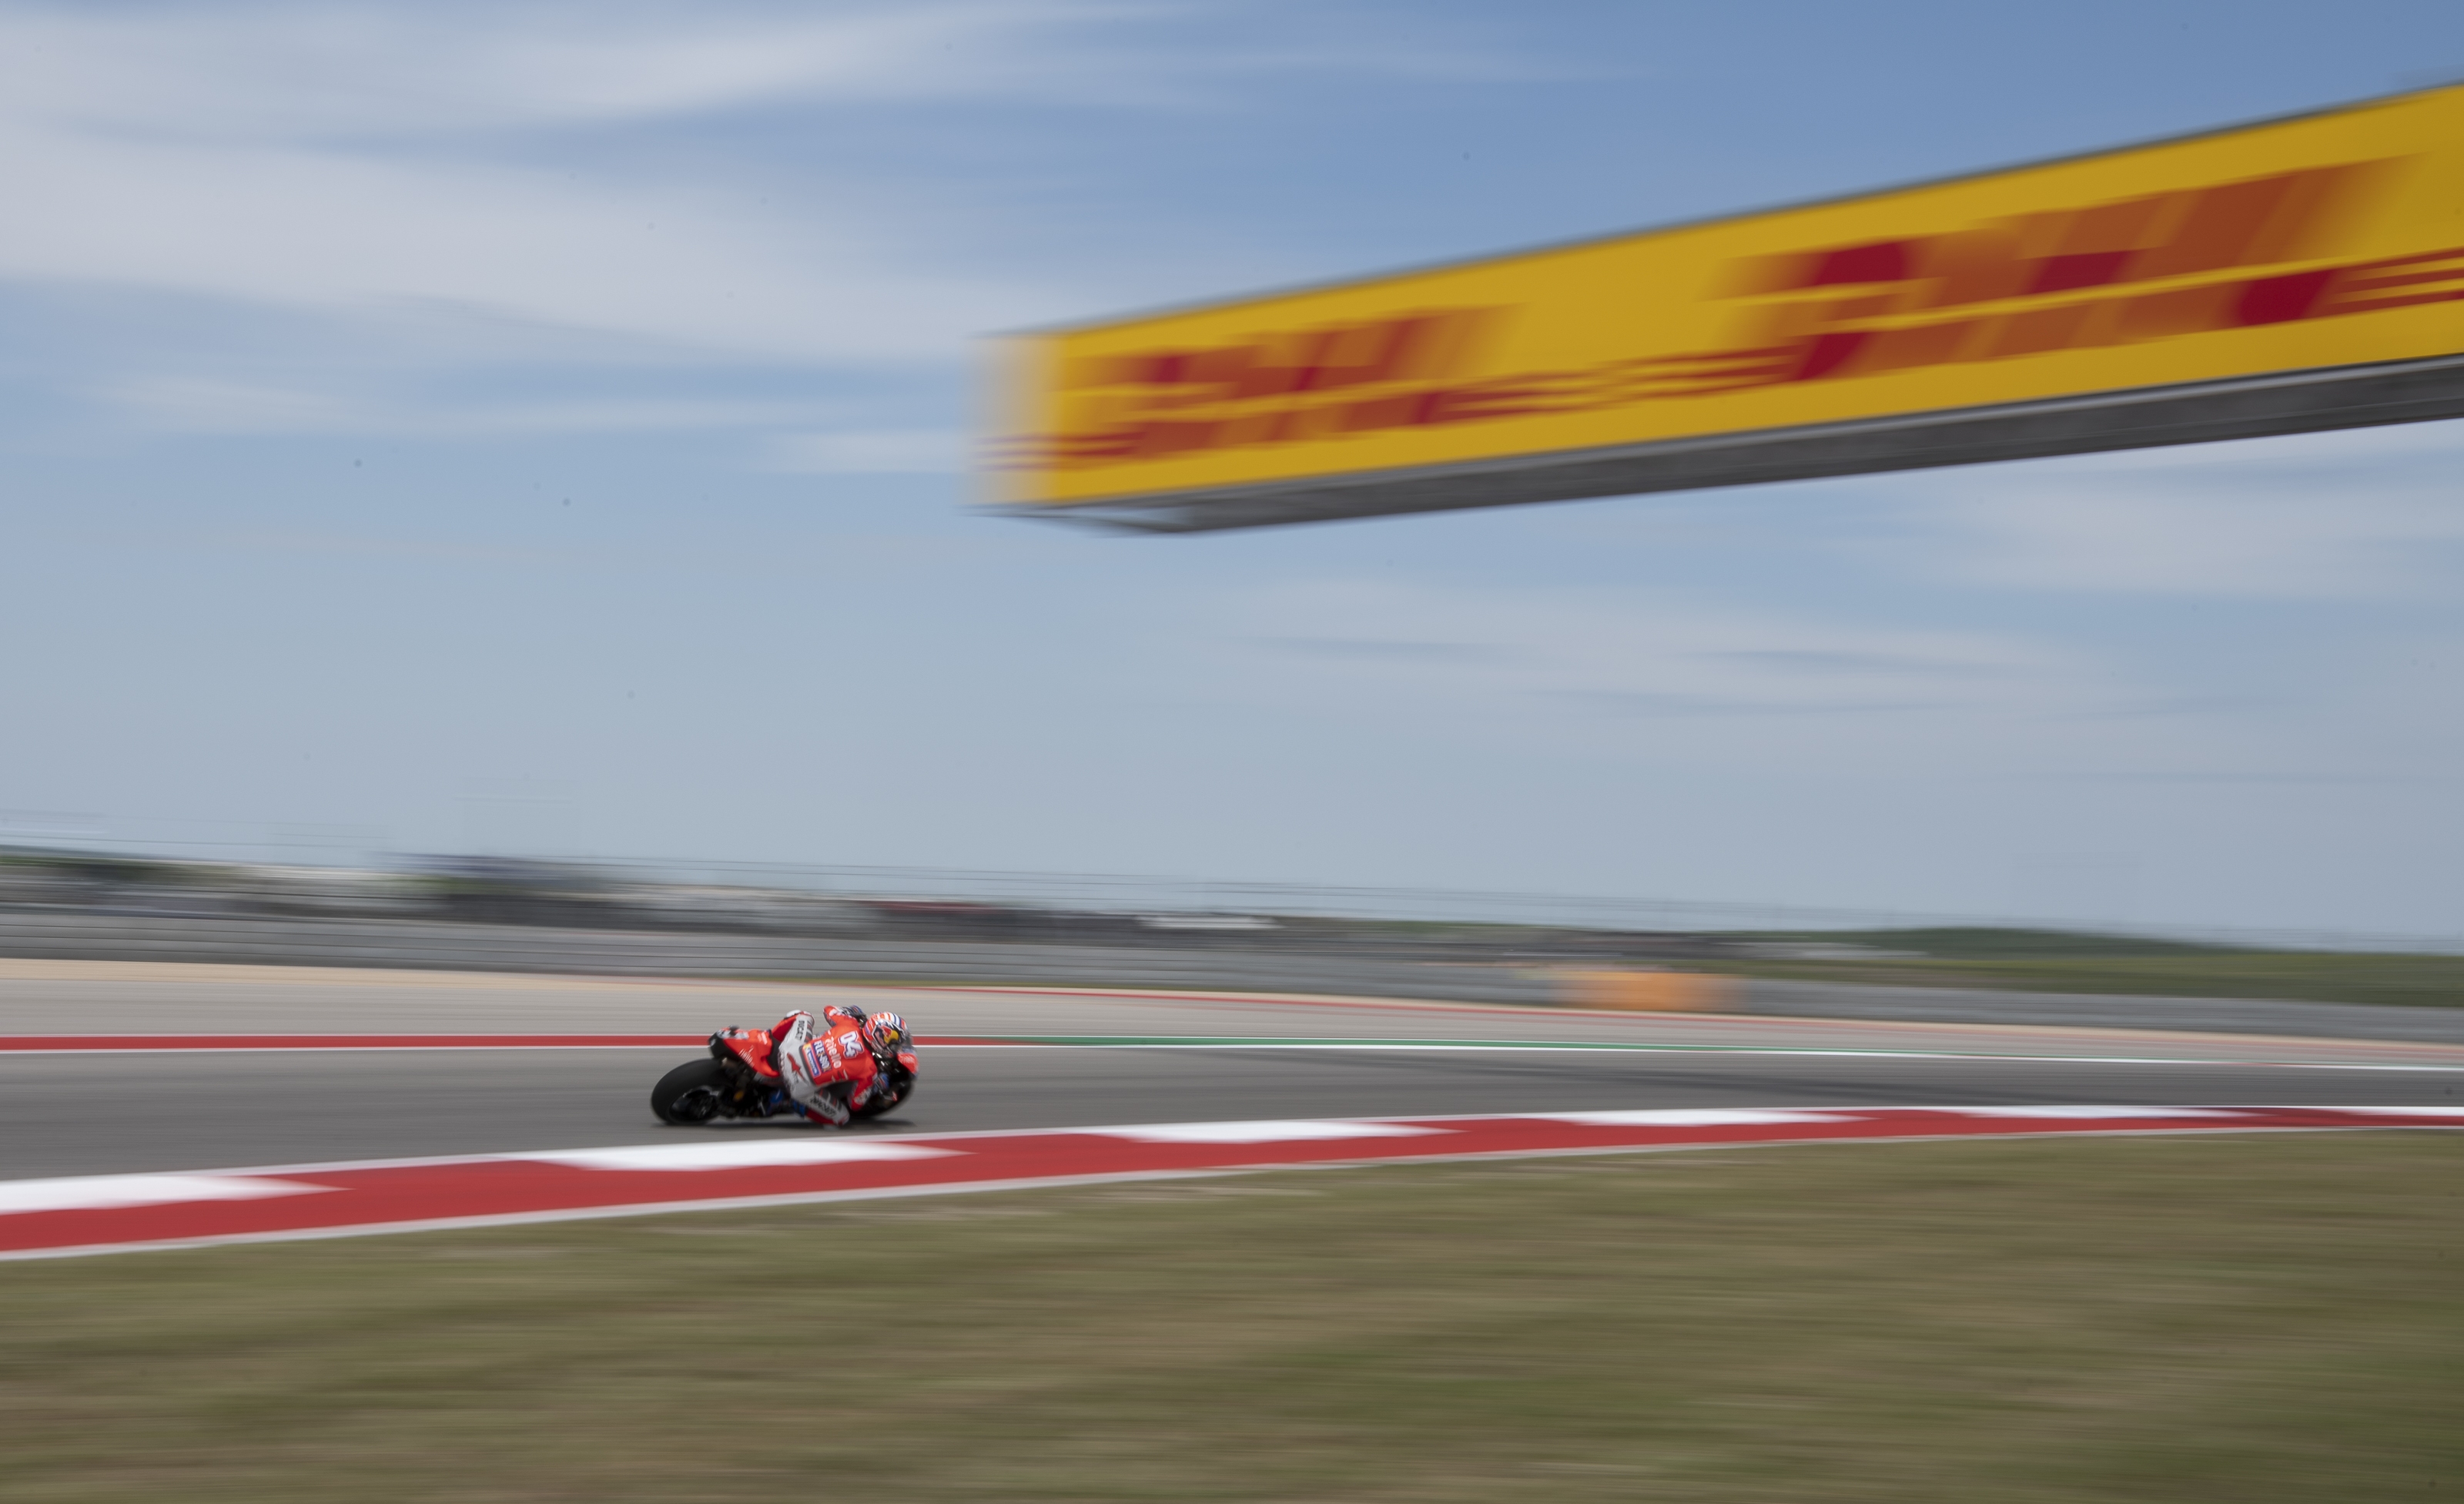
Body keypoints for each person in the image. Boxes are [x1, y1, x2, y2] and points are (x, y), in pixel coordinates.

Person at [769, 1005, 908, 1126]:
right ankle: (789, 1104)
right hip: (799, 1086)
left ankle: (772, 1038)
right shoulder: (870, 1069)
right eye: (893, 1040)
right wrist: (875, 1085)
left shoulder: (850, 1023)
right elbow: (855, 1104)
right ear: (880, 1035)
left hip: (788, 1053)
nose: (894, 1045)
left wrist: (848, 1010)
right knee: (842, 1118)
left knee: (803, 1015)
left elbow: (828, 1010)